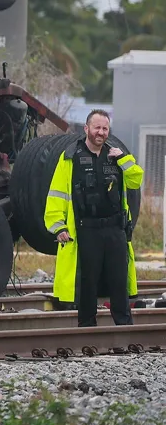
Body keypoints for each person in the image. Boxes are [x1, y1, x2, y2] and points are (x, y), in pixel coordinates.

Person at [44, 109, 144, 327]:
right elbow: (57, 193)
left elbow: (136, 180)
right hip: (86, 230)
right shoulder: (71, 157)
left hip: (115, 229)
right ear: (86, 129)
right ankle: (87, 327)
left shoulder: (117, 157)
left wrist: (124, 159)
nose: (101, 132)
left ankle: (124, 325)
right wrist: (58, 226)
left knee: (119, 280)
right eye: (97, 127)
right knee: (87, 281)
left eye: (105, 128)